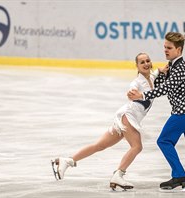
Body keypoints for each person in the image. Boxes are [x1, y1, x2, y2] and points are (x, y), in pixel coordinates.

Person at [51, 53, 168, 190]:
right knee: (137, 146)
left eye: (148, 61)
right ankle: (118, 175)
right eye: (142, 62)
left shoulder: (151, 78)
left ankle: (68, 160)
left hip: (126, 117)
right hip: (128, 117)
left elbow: (155, 72)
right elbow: (132, 90)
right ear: (137, 66)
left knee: (99, 145)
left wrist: (161, 70)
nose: (146, 64)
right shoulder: (136, 82)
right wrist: (133, 93)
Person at [127, 32, 185, 191]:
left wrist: (141, 95)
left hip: (184, 112)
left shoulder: (180, 67)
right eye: (164, 47)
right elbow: (159, 85)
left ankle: (179, 175)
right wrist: (161, 73)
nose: (165, 50)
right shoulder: (172, 66)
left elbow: (166, 88)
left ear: (178, 50)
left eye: (169, 48)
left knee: (164, 141)